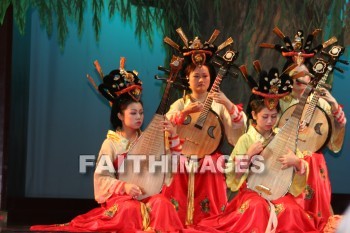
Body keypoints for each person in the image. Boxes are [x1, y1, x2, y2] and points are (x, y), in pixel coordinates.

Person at [30, 57, 184, 232]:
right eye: (133, 113)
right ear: (120, 115)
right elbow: (102, 178)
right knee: (130, 209)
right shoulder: (111, 144)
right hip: (122, 198)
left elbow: (173, 166)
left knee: (163, 204)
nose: (139, 117)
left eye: (141, 113)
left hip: (146, 194)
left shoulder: (149, 141)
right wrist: (124, 186)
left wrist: (173, 136)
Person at [193, 67, 320, 233]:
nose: (270, 121)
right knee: (257, 208)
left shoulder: (283, 138)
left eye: (274, 117)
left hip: (278, 190)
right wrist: (248, 155)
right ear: (254, 114)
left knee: (291, 210)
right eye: (265, 117)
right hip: (252, 191)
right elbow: (231, 172)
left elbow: (302, 169)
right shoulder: (247, 139)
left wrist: (296, 162)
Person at [161, 30, 247, 226]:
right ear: (187, 78)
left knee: (211, 183)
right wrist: (184, 113)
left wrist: (227, 104)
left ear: (212, 78)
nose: (201, 80)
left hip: (209, 160)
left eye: (205, 76)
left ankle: (210, 224)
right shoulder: (181, 102)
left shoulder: (217, 103)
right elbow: (164, 127)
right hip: (183, 159)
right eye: (196, 76)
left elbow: (238, 129)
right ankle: (177, 223)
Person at [279, 62, 346, 230]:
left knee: (313, 160)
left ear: (311, 78)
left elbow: (339, 124)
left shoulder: (319, 102)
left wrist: (332, 102)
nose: (300, 78)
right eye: (295, 74)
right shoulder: (280, 101)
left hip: (312, 159)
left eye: (304, 74)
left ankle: (316, 221)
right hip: (285, 157)